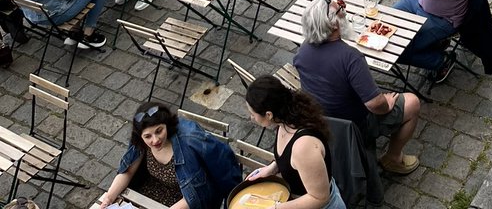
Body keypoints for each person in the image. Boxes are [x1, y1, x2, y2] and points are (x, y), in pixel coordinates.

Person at [292, 0, 422, 176]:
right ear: (333, 25)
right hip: (354, 125)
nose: (344, 12)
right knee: (413, 102)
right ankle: (393, 159)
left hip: (321, 119)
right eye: (340, 11)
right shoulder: (350, 57)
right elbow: (374, 104)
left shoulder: (303, 50)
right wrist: (385, 105)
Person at [99, 102, 242, 209]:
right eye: (148, 136)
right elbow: (128, 171)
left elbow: (198, 194)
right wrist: (109, 197)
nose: (155, 140)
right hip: (151, 193)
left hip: (187, 199)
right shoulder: (140, 141)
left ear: (167, 125)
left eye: (159, 131)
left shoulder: (191, 140)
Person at [244, 76, 346, 209]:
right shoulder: (286, 119)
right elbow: (290, 159)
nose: (251, 117)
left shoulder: (304, 147)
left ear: (269, 114)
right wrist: (272, 168)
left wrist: (276, 208)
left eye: (253, 113)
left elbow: (320, 198)